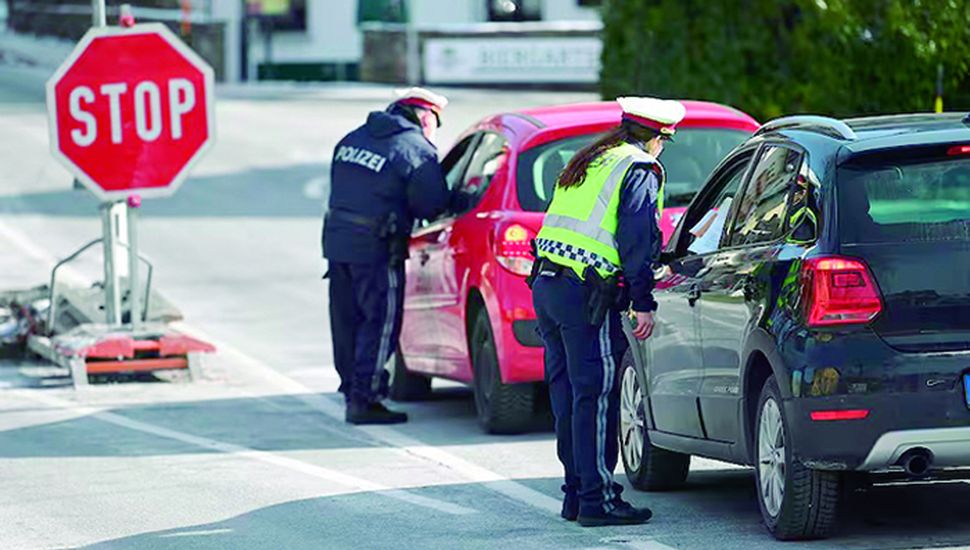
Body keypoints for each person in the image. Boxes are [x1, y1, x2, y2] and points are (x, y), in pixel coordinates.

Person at [528, 96, 685, 527]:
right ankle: (598, 501)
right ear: (657, 137)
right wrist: (643, 301)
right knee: (595, 397)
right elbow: (636, 239)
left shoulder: (591, 159)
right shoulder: (637, 167)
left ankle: (576, 494)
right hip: (586, 292)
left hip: (548, 284)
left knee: (568, 396)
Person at [323, 87, 451, 425]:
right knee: (379, 323)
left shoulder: (352, 139)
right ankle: (365, 400)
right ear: (425, 117)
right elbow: (432, 205)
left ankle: (352, 388)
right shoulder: (415, 149)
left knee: (346, 321)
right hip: (378, 248)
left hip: (337, 245)